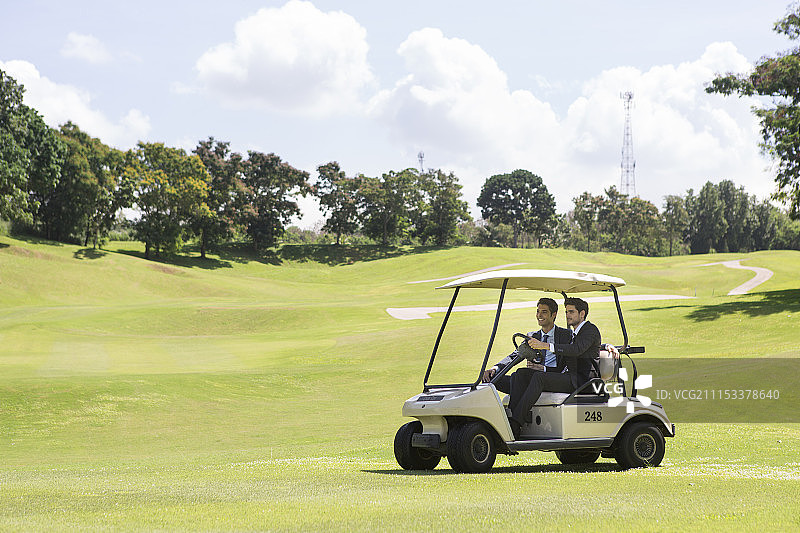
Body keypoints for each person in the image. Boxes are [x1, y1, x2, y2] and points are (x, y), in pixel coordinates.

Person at [507, 297, 606, 438]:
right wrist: (544, 368)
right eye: (566, 312)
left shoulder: (590, 330)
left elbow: (576, 349)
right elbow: (568, 357)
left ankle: (516, 424)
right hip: (570, 377)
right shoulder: (574, 334)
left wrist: (546, 346)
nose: (567, 315)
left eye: (571, 312)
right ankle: (512, 417)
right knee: (521, 374)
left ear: (582, 314)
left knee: (539, 378)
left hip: (583, 382)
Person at [482, 298, 571, 396]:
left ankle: (516, 411)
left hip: (552, 380)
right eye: (538, 312)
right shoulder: (532, 336)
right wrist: (495, 369)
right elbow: (515, 355)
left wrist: (543, 369)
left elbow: (567, 366)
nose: (539, 315)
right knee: (489, 378)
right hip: (529, 379)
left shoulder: (565, 335)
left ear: (554, 314)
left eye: (544, 312)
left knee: (519, 375)